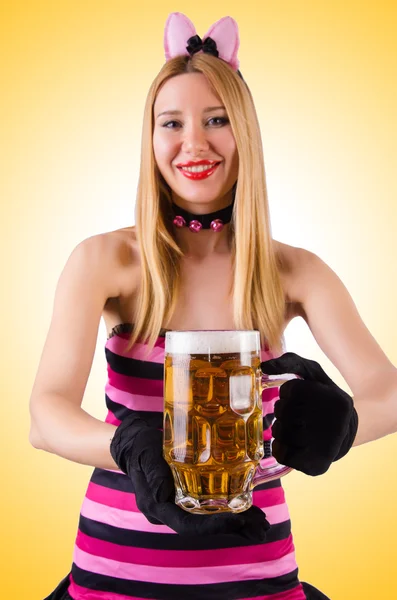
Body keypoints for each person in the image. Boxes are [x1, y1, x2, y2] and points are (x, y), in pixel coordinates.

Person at [29, 12, 397, 600]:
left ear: (244, 133)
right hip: (112, 579)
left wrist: (341, 424)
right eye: (171, 122)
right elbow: (44, 415)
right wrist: (126, 445)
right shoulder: (104, 261)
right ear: (150, 140)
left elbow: (390, 393)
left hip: (258, 579)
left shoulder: (294, 272)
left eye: (216, 120)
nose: (193, 143)